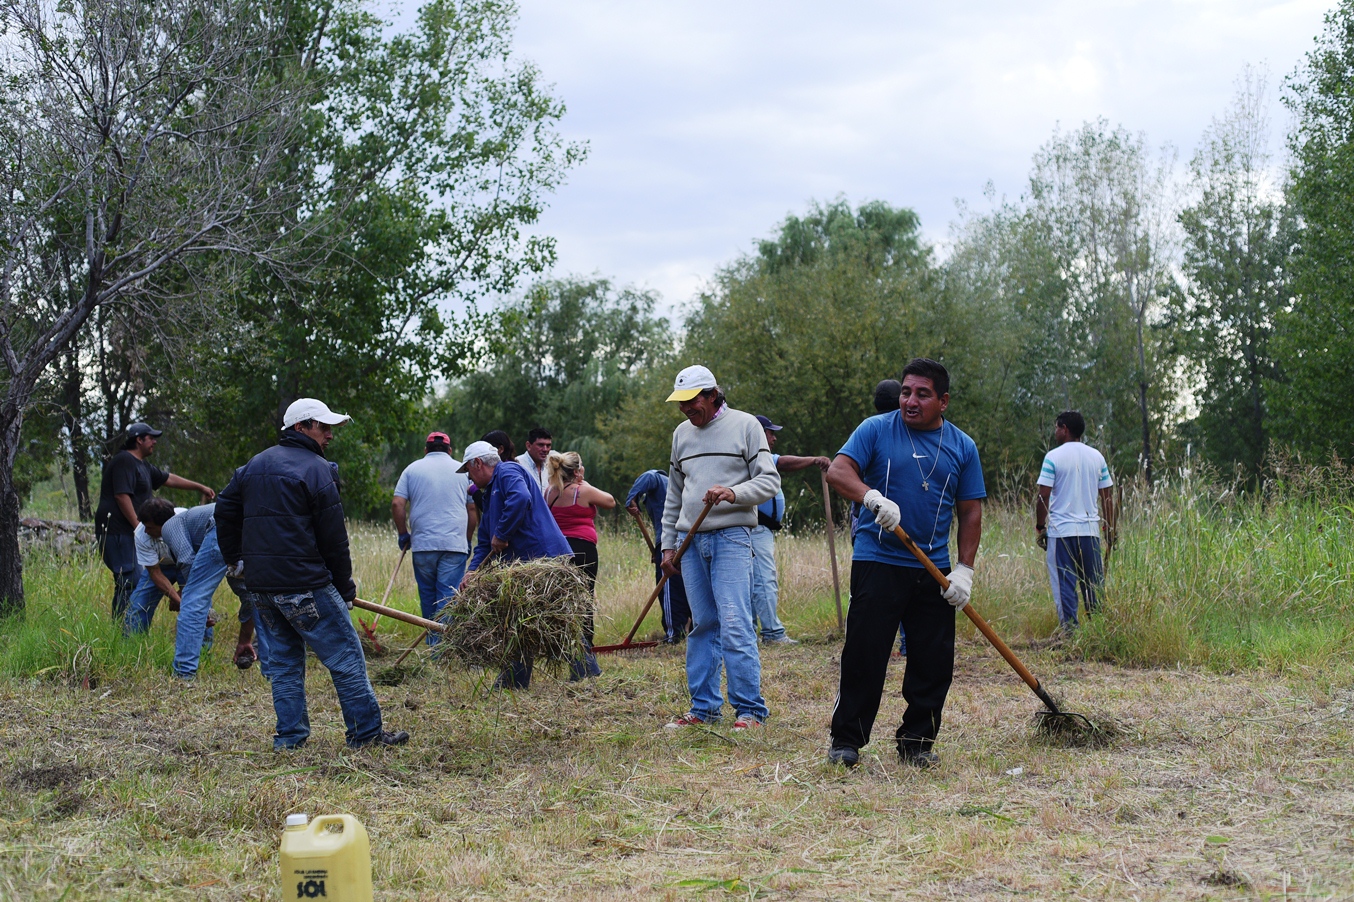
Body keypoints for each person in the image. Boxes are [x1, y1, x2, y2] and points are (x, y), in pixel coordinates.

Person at [215, 398, 407, 750]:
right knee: (346, 658)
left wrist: (236, 561)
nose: (330, 435)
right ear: (301, 428)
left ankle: (289, 739)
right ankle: (365, 735)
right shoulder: (318, 470)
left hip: (261, 587)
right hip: (305, 585)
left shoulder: (253, 465)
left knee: (285, 665)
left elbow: (223, 510)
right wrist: (344, 586)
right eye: (323, 426)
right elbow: (334, 539)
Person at [825, 358, 985, 769]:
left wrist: (963, 570)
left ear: (943, 401)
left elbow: (970, 512)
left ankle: (917, 743)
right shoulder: (875, 429)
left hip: (933, 567)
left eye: (922, 394)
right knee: (865, 653)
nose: (910, 401)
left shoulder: (963, 447)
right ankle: (846, 741)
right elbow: (838, 472)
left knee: (933, 661)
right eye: (906, 392)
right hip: (878, 560)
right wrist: (871, 498)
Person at [660, 365, 780, 731]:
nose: (685, 409)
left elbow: (769, 481)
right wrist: (668, 546)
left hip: (732, 537)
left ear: (712, 395)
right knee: (703, 625)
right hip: (690, 541)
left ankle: (750, 711)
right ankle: (704, 708)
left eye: (691, 401)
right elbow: (674, 495)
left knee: (734, 622)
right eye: (680, 403)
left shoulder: (746, 426)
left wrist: (734, 493)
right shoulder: (681, 434)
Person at [458, 440, 573, 689]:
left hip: (543, 558)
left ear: (478, 463)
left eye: (468, 469)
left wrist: (503, 533)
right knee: (522, 620)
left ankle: (581, 670)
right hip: (525, 563)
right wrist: (472, 572)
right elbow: (486, 543)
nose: (468, 476)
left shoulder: (508, 471)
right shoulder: (490, 496)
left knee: (552, 620)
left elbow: (520, 498)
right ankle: (515, 679)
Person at [124, 499, 266, 679]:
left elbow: (189, 563)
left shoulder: (177, 521)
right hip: (162, 566)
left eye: (150, 527)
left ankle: (200, 655)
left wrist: (189, 596)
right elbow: (155, 573)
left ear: (164, 525)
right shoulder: (141, 534)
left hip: (191, 559)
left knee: (202, 603)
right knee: (139, 604)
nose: (145, 530)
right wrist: (178, 598)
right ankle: (131, 649)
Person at [94, 422, 215, 619]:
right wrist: (139, 528)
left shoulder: (144, 466)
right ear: (139, 439)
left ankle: (129, 624)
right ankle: (121, 625)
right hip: (118, 531)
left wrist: (199, 487)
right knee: (129, 579)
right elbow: (122, 496)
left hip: (136, 531)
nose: (154, 442)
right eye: (151, 438)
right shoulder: (124, 461)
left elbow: (168, 478)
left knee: (135, 579)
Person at [750, 414, 830, 646]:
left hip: (761, 529)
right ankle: (773, 634)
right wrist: (814, 460)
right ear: (758, 433)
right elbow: (784, 462)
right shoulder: (754, 455)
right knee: (763, 580)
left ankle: (754, 633)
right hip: (756, 528)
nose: (774, 437)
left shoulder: (758, 457)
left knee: (755, 581)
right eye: (770, 432)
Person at [1035, 411, 1116, 633]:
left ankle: (1070, 634)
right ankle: (1097, 632)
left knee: (1064, 585)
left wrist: (1040, 525)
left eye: (1056, 427)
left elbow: (1044, 495)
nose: (1055, 432)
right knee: (1093, 584)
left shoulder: (1053, 457)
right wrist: (1109, 527)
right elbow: (1107, 496)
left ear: (1065, 429)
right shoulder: (1097, 457)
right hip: (1090, 532)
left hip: (1062, 532)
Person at [392, 432, 478, 642]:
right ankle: (442, 652)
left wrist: (403, 534)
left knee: (428, 598)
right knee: (448, 599)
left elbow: (397, 504)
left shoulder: (412, 469)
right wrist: (467, 539)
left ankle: (434, 648)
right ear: (449, 450)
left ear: (426, 450)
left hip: (423, 545)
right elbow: (472, 510)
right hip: (453, 544)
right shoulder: (463, 470)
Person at [545, 450, 615, 679]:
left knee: (565, 603)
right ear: (576, 471)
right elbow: (610, 501)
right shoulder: (581, 490)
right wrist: (582, 479)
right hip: (583, 550)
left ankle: (572, 654)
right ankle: (585, 660)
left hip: (558, 552)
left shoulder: (549, 492)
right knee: (584, 602)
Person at [625, 470, 691, 643]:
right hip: (683, 540)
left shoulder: (659, 478)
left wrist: (632, 497)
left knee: (670, 588)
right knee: (686, 587)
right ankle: (686, 630)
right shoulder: (681, 485)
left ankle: (674, 634)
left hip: (669, 543)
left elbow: (649, 475)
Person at [515, 427, 553, 494]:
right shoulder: (517, 464)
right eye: (541, 445)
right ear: (528, 446)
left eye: (548, 445)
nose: (545, 449)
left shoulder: (552, 464)